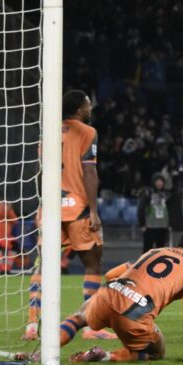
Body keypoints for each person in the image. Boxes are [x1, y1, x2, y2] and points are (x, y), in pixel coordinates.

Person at [23, 90, 115, 341]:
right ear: (78, 109)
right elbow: (90, 172)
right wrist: (94, 210)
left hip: (51, 208)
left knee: (43, 264)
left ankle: (32, 324)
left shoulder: (48, 132)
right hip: (78, 208)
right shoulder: (88, 132)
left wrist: (44, 204)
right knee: (93, 262)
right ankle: (91, 326)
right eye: (88, 104)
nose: (90, 108)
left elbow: (40, 172)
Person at [62, 229, 183, 363]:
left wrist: (122, 293)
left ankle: (48, 350)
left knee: (79, 317)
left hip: (109, 292)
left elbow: (110, 274)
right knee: (157, 351)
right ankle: (106, 356)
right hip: (135, 312)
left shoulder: (154, 252)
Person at [137, 173, 177, 252]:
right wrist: (142, 224)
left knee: (161, 251)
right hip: (150, 227)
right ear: (154, 182)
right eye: (157, 181)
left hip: (163, 227)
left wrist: (170, 224)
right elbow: (141, 209)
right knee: (147, 250)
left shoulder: (166, 194)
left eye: (161, 181)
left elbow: (170, 210)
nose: (159, 183)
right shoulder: (148, 194)